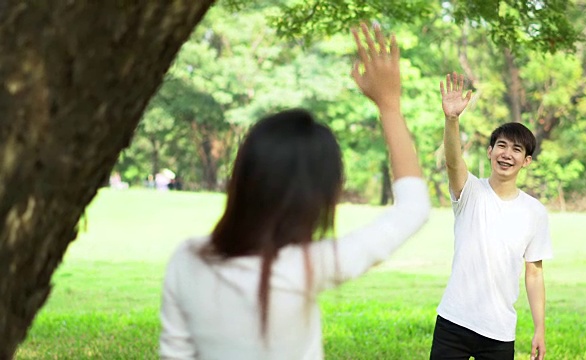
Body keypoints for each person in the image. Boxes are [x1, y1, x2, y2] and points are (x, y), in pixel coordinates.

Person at [159, 23, 430, 360]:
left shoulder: (187, 259)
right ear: (321, 197)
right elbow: (413, 207)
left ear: (243, 176)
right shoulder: (308, 268)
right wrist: (389, 105)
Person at [429, 72, 553, 360]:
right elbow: (452, 161)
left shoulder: (534, 212)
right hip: (453, 322)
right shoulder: (470, 191)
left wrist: (539, 328)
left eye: (516, 149)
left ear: (526, 161)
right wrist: (451, 119)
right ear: (490, 151)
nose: (507, 154)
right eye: (502, 145)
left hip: (499, 332)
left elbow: (534, 273)